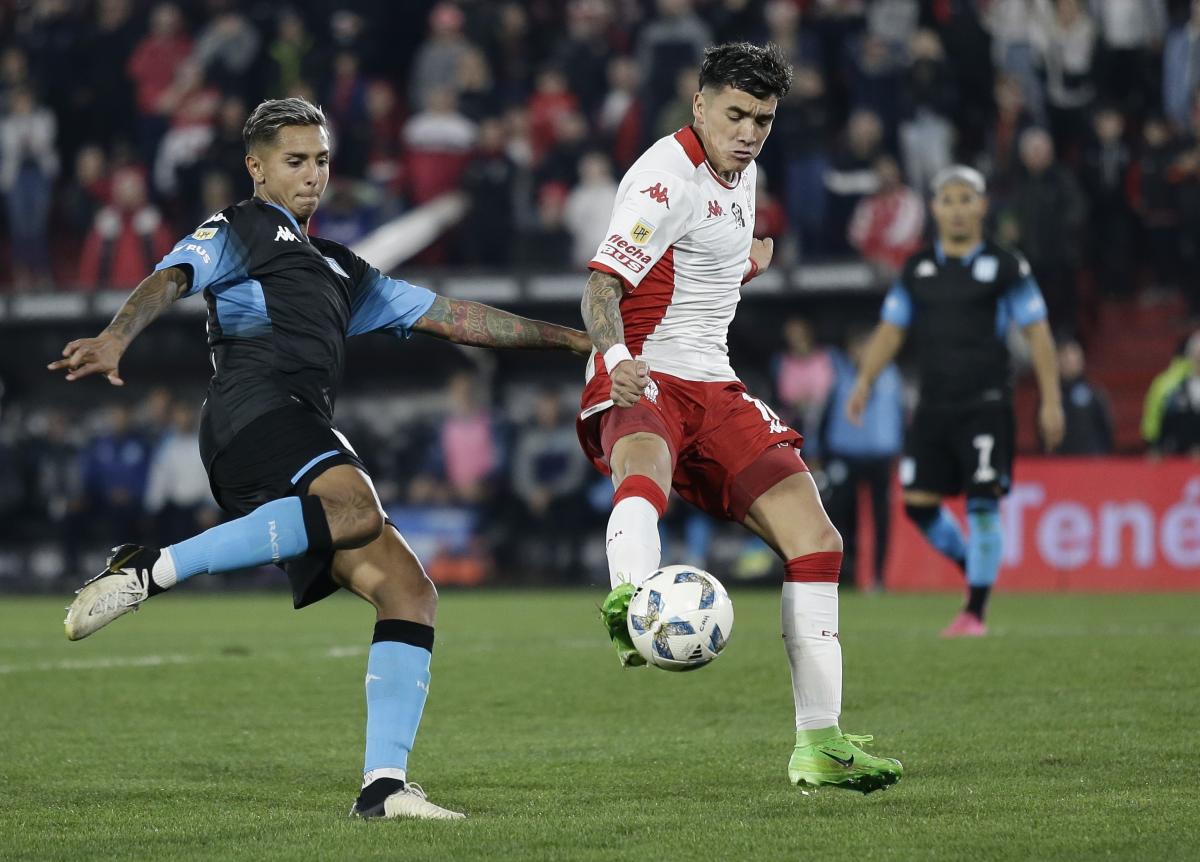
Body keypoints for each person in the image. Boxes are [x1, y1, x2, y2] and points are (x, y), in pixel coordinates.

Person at [50, 98, 591, 821]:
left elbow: (457, 317)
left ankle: (383, 787)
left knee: (409, 592)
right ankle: (148, 569)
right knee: (354, 503)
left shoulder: (339, 266)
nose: (313, 175)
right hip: (253, 408)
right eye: (296, 161)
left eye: (323, 160)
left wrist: (577, 343)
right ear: (258, 167)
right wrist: (118, 336)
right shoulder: (241, 226)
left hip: (289, 428)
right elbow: (172, 277)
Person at [576, 42, 902, 795]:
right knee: (645, 473)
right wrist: (616, 355)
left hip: (715, 384)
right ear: (700, 107)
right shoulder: (664, 177)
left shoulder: (743, 175)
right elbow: (599, 288)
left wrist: (747, 261)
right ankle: (630, 599)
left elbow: (701, 267)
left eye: (763, 118)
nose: (750, 131)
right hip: (644, 370)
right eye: (735, 114)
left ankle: (820, 744)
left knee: (818, 539)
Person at [848, 165, 1064, 638]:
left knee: (983, 503)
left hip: (986, 404)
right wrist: (864, 382)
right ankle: (975, 569)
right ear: (935, 209)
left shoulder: (1007, 266)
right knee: (918, 505)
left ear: (983, 206)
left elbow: (1038, 333)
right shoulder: (918, 269)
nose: (959, 208)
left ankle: (975, 612)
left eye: (968, 199)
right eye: (949, 200)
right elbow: (891, 330)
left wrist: (1051, 400)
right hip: (934, 405)